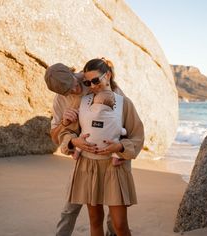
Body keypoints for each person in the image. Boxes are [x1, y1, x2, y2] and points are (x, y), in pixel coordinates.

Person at [59, 58, 144, 236]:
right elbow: (67, 132)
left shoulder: (124, 103)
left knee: (120, 225)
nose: (92, 85)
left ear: (108, 76)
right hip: (88, 166)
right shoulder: (81, 102)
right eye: (87, 82)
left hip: (114, 169)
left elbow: (137, 135)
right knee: (95, 220)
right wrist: (74, 141)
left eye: (95, 80)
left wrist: (120, 146)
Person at [44, 62, 124, 236]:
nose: (74, 90)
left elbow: (122, 119)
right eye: (67, 91)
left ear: (74, 74)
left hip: (111, 155)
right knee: (71, 207)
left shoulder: (93, 81)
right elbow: (54, 135)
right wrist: (66, 125)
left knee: (114, 210)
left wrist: (121, 150)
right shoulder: (60, 99)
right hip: (83, 157)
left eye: (73, 84)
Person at [72, 90, 127, 166]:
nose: (93, 86)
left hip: (88, 144)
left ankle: (76, 153)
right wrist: (123, 131)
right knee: (116, 142)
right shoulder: (115, 117)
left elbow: (82, 122)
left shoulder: (86, 113)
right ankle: (115, 160)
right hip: (107, 146)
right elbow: (119, 129)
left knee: (82, 137)